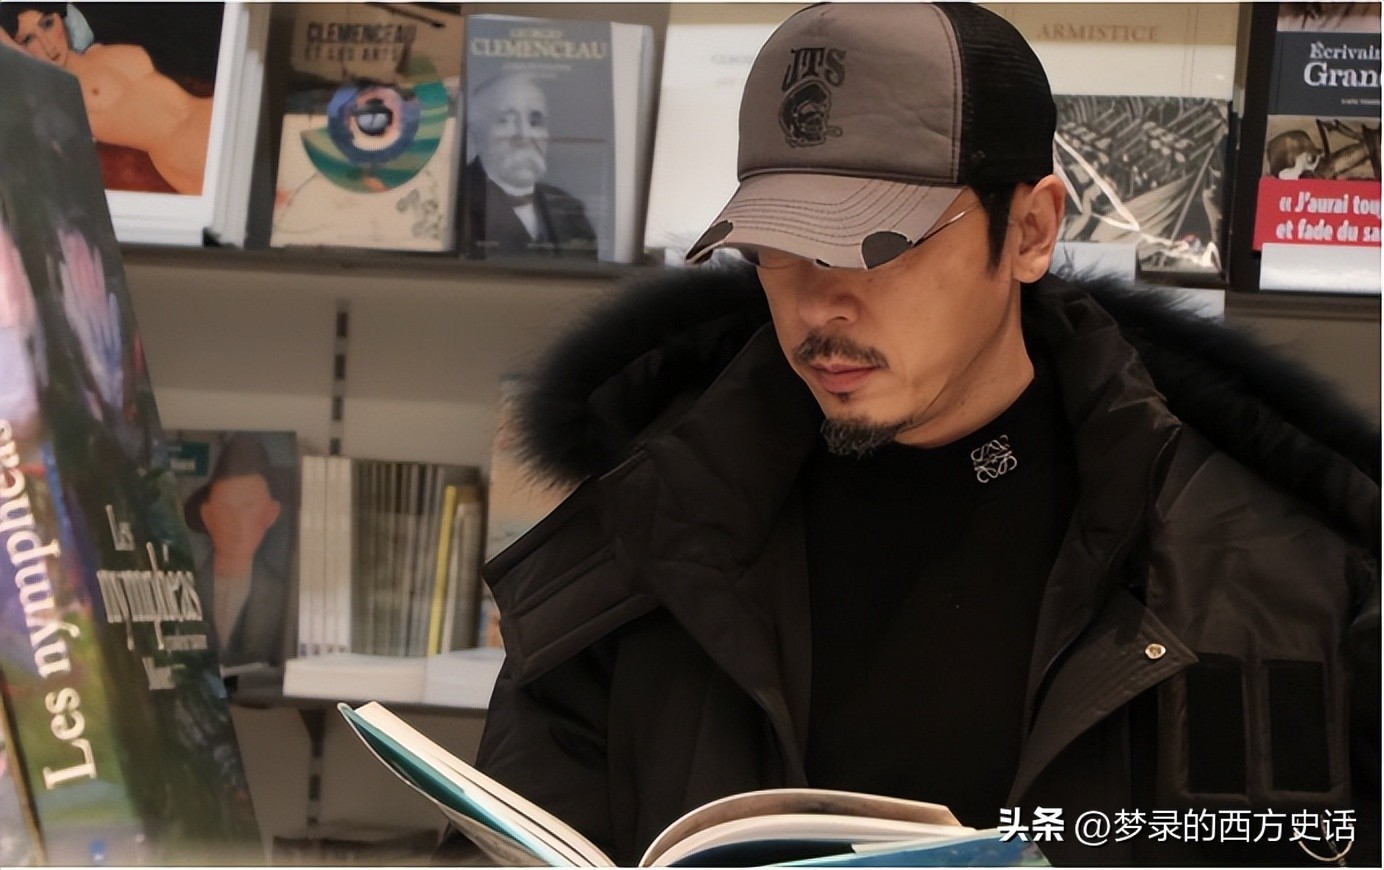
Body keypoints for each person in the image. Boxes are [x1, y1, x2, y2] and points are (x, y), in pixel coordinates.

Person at [454, 4, 1379, 866]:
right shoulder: (638, 546)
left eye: (880, 246)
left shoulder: (1277, 577)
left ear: (1030, 231)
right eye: (777, 246)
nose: (819, 304)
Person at [0, 3, 214, 194]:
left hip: (212, 112)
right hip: (190, 158)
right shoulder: (62, 98)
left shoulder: (100, 45)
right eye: (28, 39)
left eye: (47, 24)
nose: (48, 45)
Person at [184, 434, 291, 667]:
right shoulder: (181, 590)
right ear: (207, 515)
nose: (237, 522)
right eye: (226, 508)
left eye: (248, 507)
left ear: (271, 513)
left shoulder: (285, 595)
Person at [463, 71, 597, 259]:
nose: (524, 136)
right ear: (476, 134)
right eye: (505, 121)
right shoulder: (457, 201)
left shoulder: (571, 209)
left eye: (535, 122)